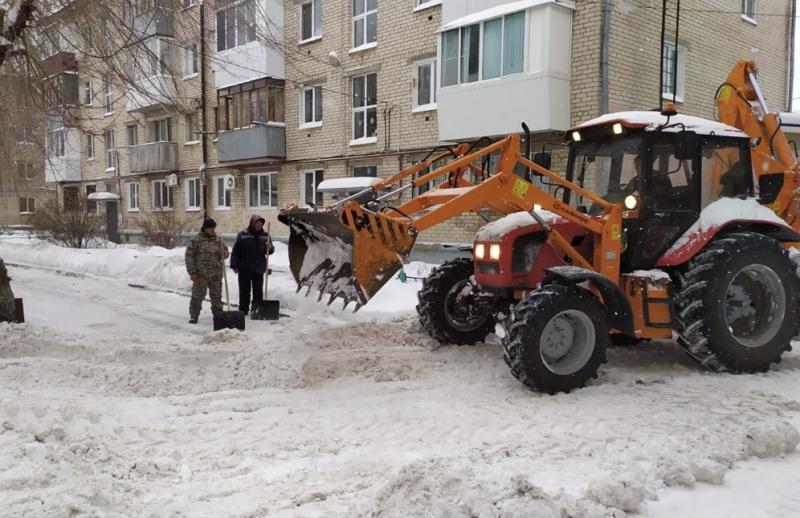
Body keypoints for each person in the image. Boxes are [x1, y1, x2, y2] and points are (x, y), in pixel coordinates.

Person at [185, 217, 229, 324]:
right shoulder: (195, 240)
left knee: (216, 297)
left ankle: (218, 316)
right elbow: (189, 257)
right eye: (211, 228)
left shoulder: (219, 240)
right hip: (200, 274)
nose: (213, 230)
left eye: (214, 228)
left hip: (216, 274)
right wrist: (192, 272)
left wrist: (224, 253)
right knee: (197, 296)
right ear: (205, 228)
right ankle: (194, 315)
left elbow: (226, 254)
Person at [230, 214, 275, 315]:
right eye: (257, 223)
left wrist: (270, 248)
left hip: (258, 267)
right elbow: (236, 251)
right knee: (244, 291)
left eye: (261, 223)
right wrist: (234, 265)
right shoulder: (242, 235)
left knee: (258, 291)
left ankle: (257, 310)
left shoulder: (265, 236)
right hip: (244, 267)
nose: (259, 225)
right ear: (252, 223)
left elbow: (270, 251)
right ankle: (243, 310)